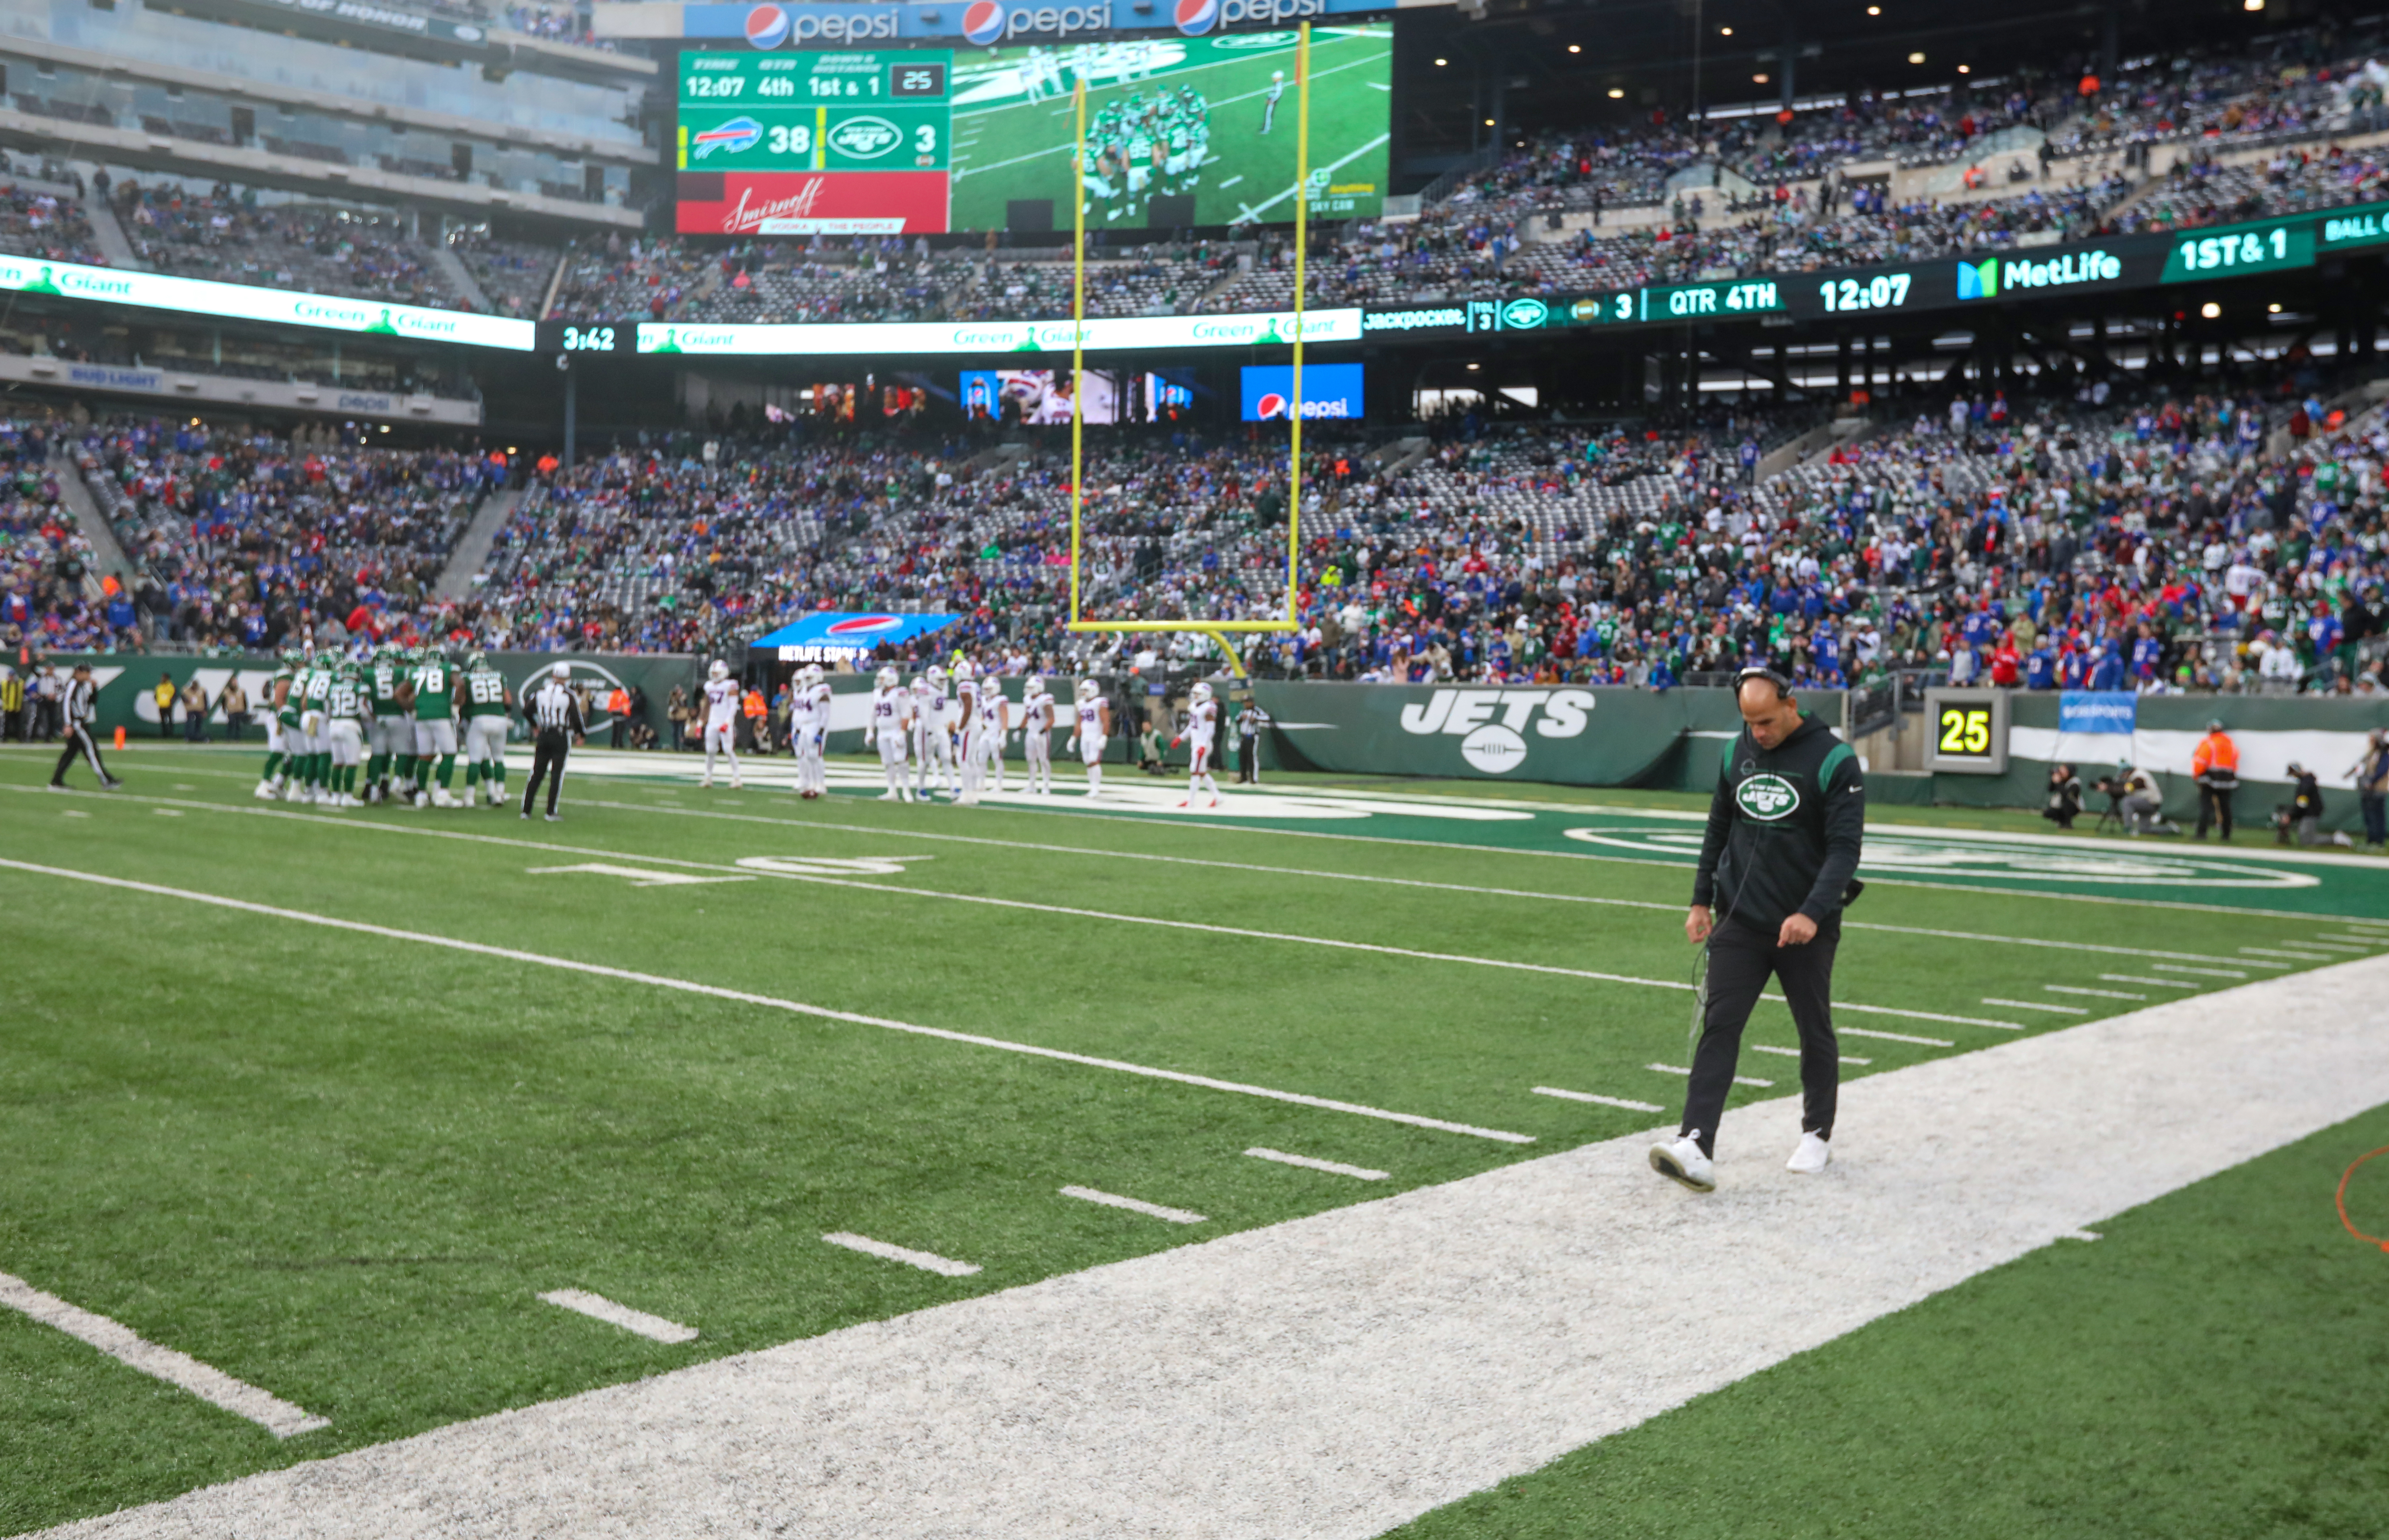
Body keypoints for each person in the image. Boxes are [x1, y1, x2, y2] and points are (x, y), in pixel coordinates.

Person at [1650, 667, 1864, 1194]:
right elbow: (1718, 827)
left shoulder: (1835, 759)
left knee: (1813, 1025)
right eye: (1749, 722)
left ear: (1792, 705)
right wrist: (1701, 898)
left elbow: (1844, 850)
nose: (1759, 732)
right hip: (1740, 920)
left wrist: (1812, 912)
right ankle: (1696, 1143)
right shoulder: (1736, 751)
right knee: (1719, 1025)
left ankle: (1817, 1131)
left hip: (1804, 928)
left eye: (1767, 721)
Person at [520, 661, 585, 822]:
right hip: (560, 735)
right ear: (568, 677)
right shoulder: (569, 695)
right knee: (556, 775)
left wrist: (536, 726)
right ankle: (550, 812)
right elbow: (577, 718)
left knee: (537, 773)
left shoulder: (541, 691)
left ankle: (526, 811)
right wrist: (580, 734)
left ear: (553, 675)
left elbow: (527, 710)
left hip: (544, 734)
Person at [402, 646, 462, 808]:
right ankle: (442, 794)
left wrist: (412, 709)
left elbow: (399, 693)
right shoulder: (448, 668)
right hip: (441, 716)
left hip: (422, 718)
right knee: (449, 754)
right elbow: (460, 684)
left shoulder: (416, 671)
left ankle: (421, 795)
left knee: (425, 756)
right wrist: (456, 706)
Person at [48, 662, 120, 791]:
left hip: (80, 722)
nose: (90, 675)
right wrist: (68, 724)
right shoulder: (73, 685)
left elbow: (91, 702)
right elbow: (66, 704)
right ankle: (106, 780)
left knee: (70, 753)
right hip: (77, 724)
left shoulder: (82, 686)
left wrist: (94, 689)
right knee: (91, 749)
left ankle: (56, 781)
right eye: (87, 672)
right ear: (79, 673)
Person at [460, 651, 513, 808]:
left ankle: (470, 796)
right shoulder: (499, 675)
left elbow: (462, 700)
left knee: (475, 760)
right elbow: (508, 700)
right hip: (499, 719)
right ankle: (499, 794)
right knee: (498, 758)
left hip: (479, 719)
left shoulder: (467, 677)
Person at [1172, 679, 1223, 809]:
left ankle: (1191, 801)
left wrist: (1203, 746)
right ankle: (1218, 797)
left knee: (1194, 771)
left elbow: (1211, 730)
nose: (1195, 696)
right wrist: (1181, 738)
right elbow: (1192, 726)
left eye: (1197, 694)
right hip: (1197, 744)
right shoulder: (1195, 706)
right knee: (1201, 772)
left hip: (1202, 744)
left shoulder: (1209, 707)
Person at [2191, 717, 2238, 841]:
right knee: (2226, 808)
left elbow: (2201, 761)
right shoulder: (2231, 745)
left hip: (2209, 779)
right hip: (2227, 780)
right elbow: (2235, 763)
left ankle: (2202, 833)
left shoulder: (2209, 743)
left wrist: (2196, 774)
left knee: (2205, 807)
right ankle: (2226, 835)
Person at [913, 667, 957, 801]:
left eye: (944, 680)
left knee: (947, 757)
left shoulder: (944, 688)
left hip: (941, 728)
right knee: (925, 761)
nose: (943, 682)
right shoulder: (926, 691)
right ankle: (920, 789)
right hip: (928, 729)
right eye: (940, 680)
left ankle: (953, 788)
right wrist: (930, 732)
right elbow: (924, 715)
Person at [698, 658, 743, 790]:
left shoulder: (730, 685)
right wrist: (700, 723)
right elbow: (706, 706)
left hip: (725, 722)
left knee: (729, 751)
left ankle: (737, 778)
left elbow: (733, 706)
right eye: (714, 673)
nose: (715, 676)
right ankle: (708, 777)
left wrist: (728, 722)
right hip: (712, 722)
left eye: (717, 673)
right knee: (710, 751)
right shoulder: (709, 686)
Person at [870, 665, 913, 801]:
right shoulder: (877, 693)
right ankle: (892, 790)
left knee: (901, 761)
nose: (880, 681)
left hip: (895, 731)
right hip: (883, 732)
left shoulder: (900, 693)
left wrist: (902, 732)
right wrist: (870, 731)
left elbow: (906, 714)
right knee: (888, 762)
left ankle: (906, 790)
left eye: (883, 679)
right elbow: (873, 714)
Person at [1067, 677, 1110, 797]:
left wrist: (1104, 737)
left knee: (1094, 761)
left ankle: (1096, 789)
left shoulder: (1099, 702)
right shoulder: (1081, 704)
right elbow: (1079, 722)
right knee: (1088, 762)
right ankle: (1092, 788)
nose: (1083, 693)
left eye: (1085, 690)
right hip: (1085, 736)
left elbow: (1106, 721)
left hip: (1095, 735)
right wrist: (1074, 738)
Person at [2348, 729, 2389, 850]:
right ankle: (2371, 839)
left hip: (2378, 790)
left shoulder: (2382, 753)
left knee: (2376, 816)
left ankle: (2378, 841)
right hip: (2369, 790)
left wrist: (2372, 781)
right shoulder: (2372, 753)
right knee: (2369, 816)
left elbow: (2382, 769)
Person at [1019, 674, 1055, 796]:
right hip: (1031, 732)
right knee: (1031, 759)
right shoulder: (1027, 699)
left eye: (1031, 687)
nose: (1029, 689)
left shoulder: (1045, 699)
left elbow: (1051, 719)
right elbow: (1027, 715)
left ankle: (1046, 785)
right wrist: (1020, 729)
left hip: (1042, 733)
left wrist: (1043, 731)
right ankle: (1032, 785)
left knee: (1044, 760)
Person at [2118, 762, 2176, 836]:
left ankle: (2128, 828)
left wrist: (2111, 789)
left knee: (2128, 801)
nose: (2123, 776)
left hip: (2150, 802)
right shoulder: (2138, 774)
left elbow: (2129, 788)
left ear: (2128, 772)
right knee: (2144, 830)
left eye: (2123, 774)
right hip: (2151, 802)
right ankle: (2170, 829)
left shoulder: (2139, 776)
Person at [2042, 762, 2083, 830]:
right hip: (2061, 805)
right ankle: (2061, 821)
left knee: (2067, 801)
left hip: (2074, 807)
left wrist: (2058, 783)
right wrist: (2054, 781)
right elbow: (2050, 789)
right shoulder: (2062, 780)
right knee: (2048, 813)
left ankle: (2068, 823)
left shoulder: (2075, 783)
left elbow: (2067, 795)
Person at [1237, 698, 1264, 784]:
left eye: (1247, 702)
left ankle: (1254, 778)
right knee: (1243, 757)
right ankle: (1243, 778)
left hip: (1252, 736)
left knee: (1252, 756)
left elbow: (1267, 717)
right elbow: (1237, 719)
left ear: (1251, 703)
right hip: (1244, 736)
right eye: (1244, 703)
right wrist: (1242, 718)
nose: (1245, 704)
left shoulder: (1257, 711)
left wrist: (1255, 718)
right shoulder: (1243, 711)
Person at [180, 676, 210, 744]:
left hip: (200, 709)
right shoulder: (186, 690)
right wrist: (187, 700)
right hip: (190, 709)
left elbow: (206, 700)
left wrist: (206, 710)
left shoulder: (202, 690)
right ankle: (188, 736)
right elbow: (183, 697)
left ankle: (197, 736)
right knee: (189, 723)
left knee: (199, 723)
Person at [219, 677, 248, 743]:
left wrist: (245, 709)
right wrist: (224, 709)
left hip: (240, 710)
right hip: (232, 711)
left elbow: (245, 701)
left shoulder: (242, 691)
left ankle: (237, 739)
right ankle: (228, 738)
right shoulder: (227, 692)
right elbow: (224, 702)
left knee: (238, 725)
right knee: (231, 724)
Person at [153, 671, 177, 738]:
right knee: (163, 721)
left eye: (164, 677)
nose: (162, 679)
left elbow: (175, 695)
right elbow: (156, 695)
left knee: (170, 720)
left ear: (167, 678)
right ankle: (164, 734)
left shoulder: (172, 686)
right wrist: (158, 702)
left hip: (169, 706)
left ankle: (171, 734)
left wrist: (172, 702)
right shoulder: (159, 687)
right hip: (161, 706)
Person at [606, 683, 631, 749]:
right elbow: (626, 706)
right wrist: (628, 714)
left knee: (615, 730)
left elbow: (609, 706)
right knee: (620, 731)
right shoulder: (623, 696)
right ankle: (620, 744)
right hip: (621, 715)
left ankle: (613, 744)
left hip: (614, 715)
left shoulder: (612, 695)